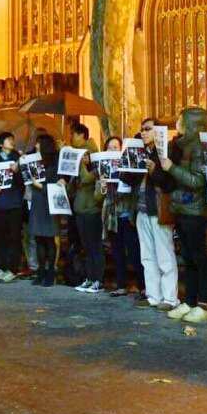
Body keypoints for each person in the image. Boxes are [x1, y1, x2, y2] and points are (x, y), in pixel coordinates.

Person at [161, 106, 207, 323]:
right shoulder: (181, 145)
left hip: (195, 210)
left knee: (199, 257)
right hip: (181, 207)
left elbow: (197, 181)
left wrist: (171, 168)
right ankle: (190, 300)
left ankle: (203, 303)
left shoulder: (200, 147)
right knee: (188, 257)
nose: (178, 123)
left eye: (181, 120)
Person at [135, 117, 179, 310]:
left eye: (147, 129)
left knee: (164, 254)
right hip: (142, 210)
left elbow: (170, 183)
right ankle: (153, 294)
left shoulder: (165, 153)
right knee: (147, 255)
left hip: (158, 209)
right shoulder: (141, 152)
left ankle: (170, 298)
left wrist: (154, 171)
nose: (143, 132)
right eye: (142, 130)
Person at [102, 136, 141, 298]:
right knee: (117, 252)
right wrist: (103, 186)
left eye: (116, 147)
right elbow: (100, 195)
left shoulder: (127, 167)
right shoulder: (103, 168)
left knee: (134, 251)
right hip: (112, 216)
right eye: (110, 147)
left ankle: (142, 286)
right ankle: (121, 285)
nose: (113, 150)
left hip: (126, 213)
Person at [69, 122, 105, 293]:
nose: (72, 138)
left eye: (74, 135)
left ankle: (97, 279)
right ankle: (89, 278)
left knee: (94, 245)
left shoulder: (92, 154)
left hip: (91, 207)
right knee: (86, 246)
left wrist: (81, 165)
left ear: (81, 135)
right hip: (80, 207)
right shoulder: (76, 153)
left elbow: (86, 179)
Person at [0, 132, 25, 283]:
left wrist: (17, 171)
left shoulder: (18, 157)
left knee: (14, 237)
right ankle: (1, 267)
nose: (11, 142)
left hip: (14, 202)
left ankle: (13, 269)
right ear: (1, 143)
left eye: (12, 139)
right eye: (8, 139)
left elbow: (23, 182)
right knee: (0, 237)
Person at [27, 133, 63, 287]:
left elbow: (57, 185)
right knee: (38, 238)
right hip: (37, 202)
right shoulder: (35, 160)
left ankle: (50, 272)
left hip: (49, 203)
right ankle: (41, 271)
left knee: (49, 239)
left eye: (38, 144)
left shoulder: (54, 164)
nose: (36, 146)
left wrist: (41, 186)